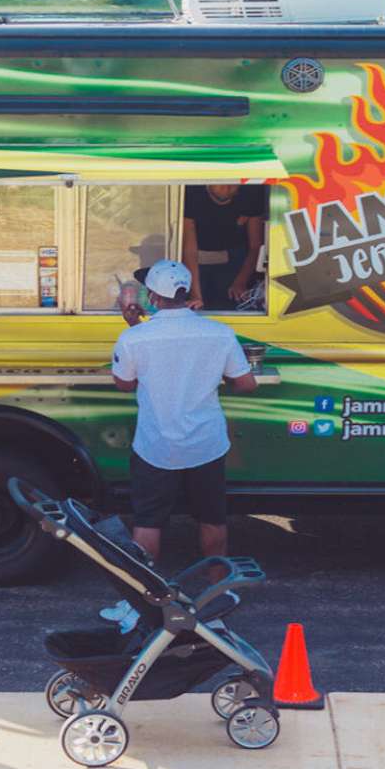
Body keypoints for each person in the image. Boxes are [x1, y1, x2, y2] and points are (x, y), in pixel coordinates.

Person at [110, 260, 259, 562]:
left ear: (153, 296)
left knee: (148, 522)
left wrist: (134, 328)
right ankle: (217, 583)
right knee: (212, 518)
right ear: (186, 293)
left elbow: (124, 384)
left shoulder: (134, 338)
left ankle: (145, 587)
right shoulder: (219, 333)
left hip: (156, 446)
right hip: (206, 444)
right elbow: (246, 383)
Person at [182, 185, 267, 311]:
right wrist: (196, 296)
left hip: (237, 256)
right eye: (220, 182)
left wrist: (241, 281)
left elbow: (256, 246)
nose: (226, 187)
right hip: (197, 259)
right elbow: (189, 250)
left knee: (232, 302)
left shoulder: (251, 191)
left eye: (233, 183)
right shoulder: (192, 193)